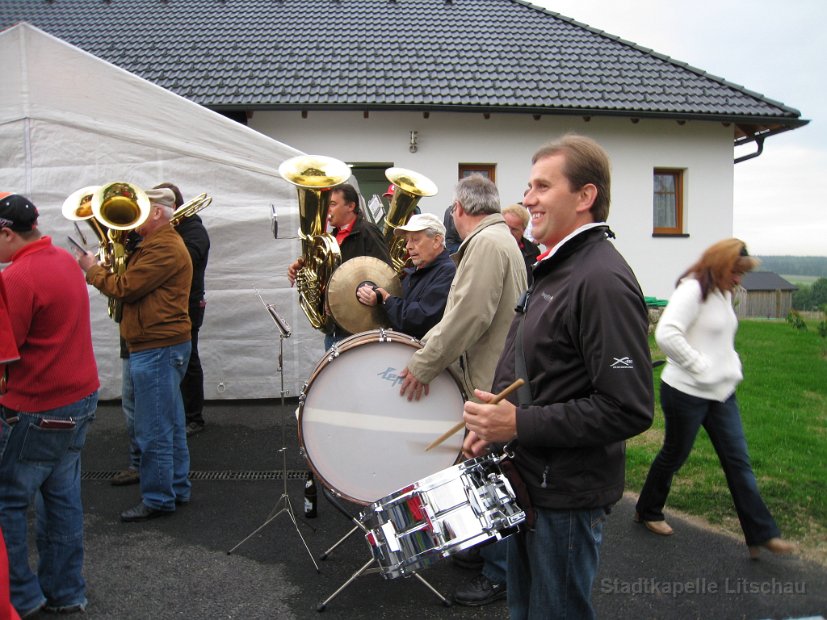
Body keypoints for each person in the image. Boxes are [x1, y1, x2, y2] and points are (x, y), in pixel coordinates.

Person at [461, 134, 655, 619]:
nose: (527, 199)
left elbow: (627, 407)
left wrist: (518, 425)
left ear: (585, 196)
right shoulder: (556, 267)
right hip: (531, 484)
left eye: (542, 187)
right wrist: (491, 423)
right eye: (529, 186)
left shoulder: (601, 280)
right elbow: (534, 365)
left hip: (566, 498)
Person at [398, 175, 527, 607]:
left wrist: (424, 364)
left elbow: (469, 316)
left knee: (492, 476)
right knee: (482, 472)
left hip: (491, 381)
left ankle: (501, 573)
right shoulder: (492, 241)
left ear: (458, 209)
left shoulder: (488, 245)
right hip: (489, 377)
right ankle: (482, 554)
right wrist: (428, 350)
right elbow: (460, 313)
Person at [635, 238, 795, 559]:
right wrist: (699, 366)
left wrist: (726, 366)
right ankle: (648, 510)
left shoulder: (722, 291)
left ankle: (760, 535)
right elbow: (666, 333)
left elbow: (718, 339)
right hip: (685, 393)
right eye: (736, 272)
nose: (739, 280)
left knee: (739, 463)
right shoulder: (693, 290)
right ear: (721, 265)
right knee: (674, 455)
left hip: (722, 393)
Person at [0, 194, 99, 617]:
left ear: (6, 233)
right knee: (61, 496)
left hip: (38, 404)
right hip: (80, 396)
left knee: (9, 501)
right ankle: (65, 591)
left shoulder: (18, 277)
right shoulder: (61, 258)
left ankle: (21, 597)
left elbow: (8, 350)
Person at [78, 188, 193, 523]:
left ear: (158, 213)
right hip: (160, 343)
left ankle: (158, 498)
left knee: (154, 427)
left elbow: (125, 288)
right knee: (169, 423)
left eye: (142, 211)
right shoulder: (158, 244)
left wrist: (92, 269)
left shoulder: (164, 246)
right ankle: (176, 488)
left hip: (157, 346)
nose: (135, 219)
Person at [287, 183, 390, 349]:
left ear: (351, 206)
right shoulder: (330, 237)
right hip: (334, 328)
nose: (328, 210)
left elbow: (385, 275)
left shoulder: (367, 232)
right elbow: (326, 272)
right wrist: (303, 265)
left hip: (358, 330)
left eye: (333, 204)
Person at [155, 183, 211, 437]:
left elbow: (185, 260)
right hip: (168, 303)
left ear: (173, 207)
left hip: (189, 302)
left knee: (188, 360)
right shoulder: (167, 231)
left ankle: (193, 417)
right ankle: (176, 413)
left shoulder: (194, 229)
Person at [355, 213, 455, 339]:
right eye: (408, 240)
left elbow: (421, 318)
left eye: (415, 239)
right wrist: (376, 294)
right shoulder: (418, 269)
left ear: (436, 241)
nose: (408, 246)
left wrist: (386, 299)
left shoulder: (447, 271)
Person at [501, 203, 541, 283]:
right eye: (505, 226)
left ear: (524, 229)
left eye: (514, 229)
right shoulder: (490, 247)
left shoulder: (533, 251)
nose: (508, 232)